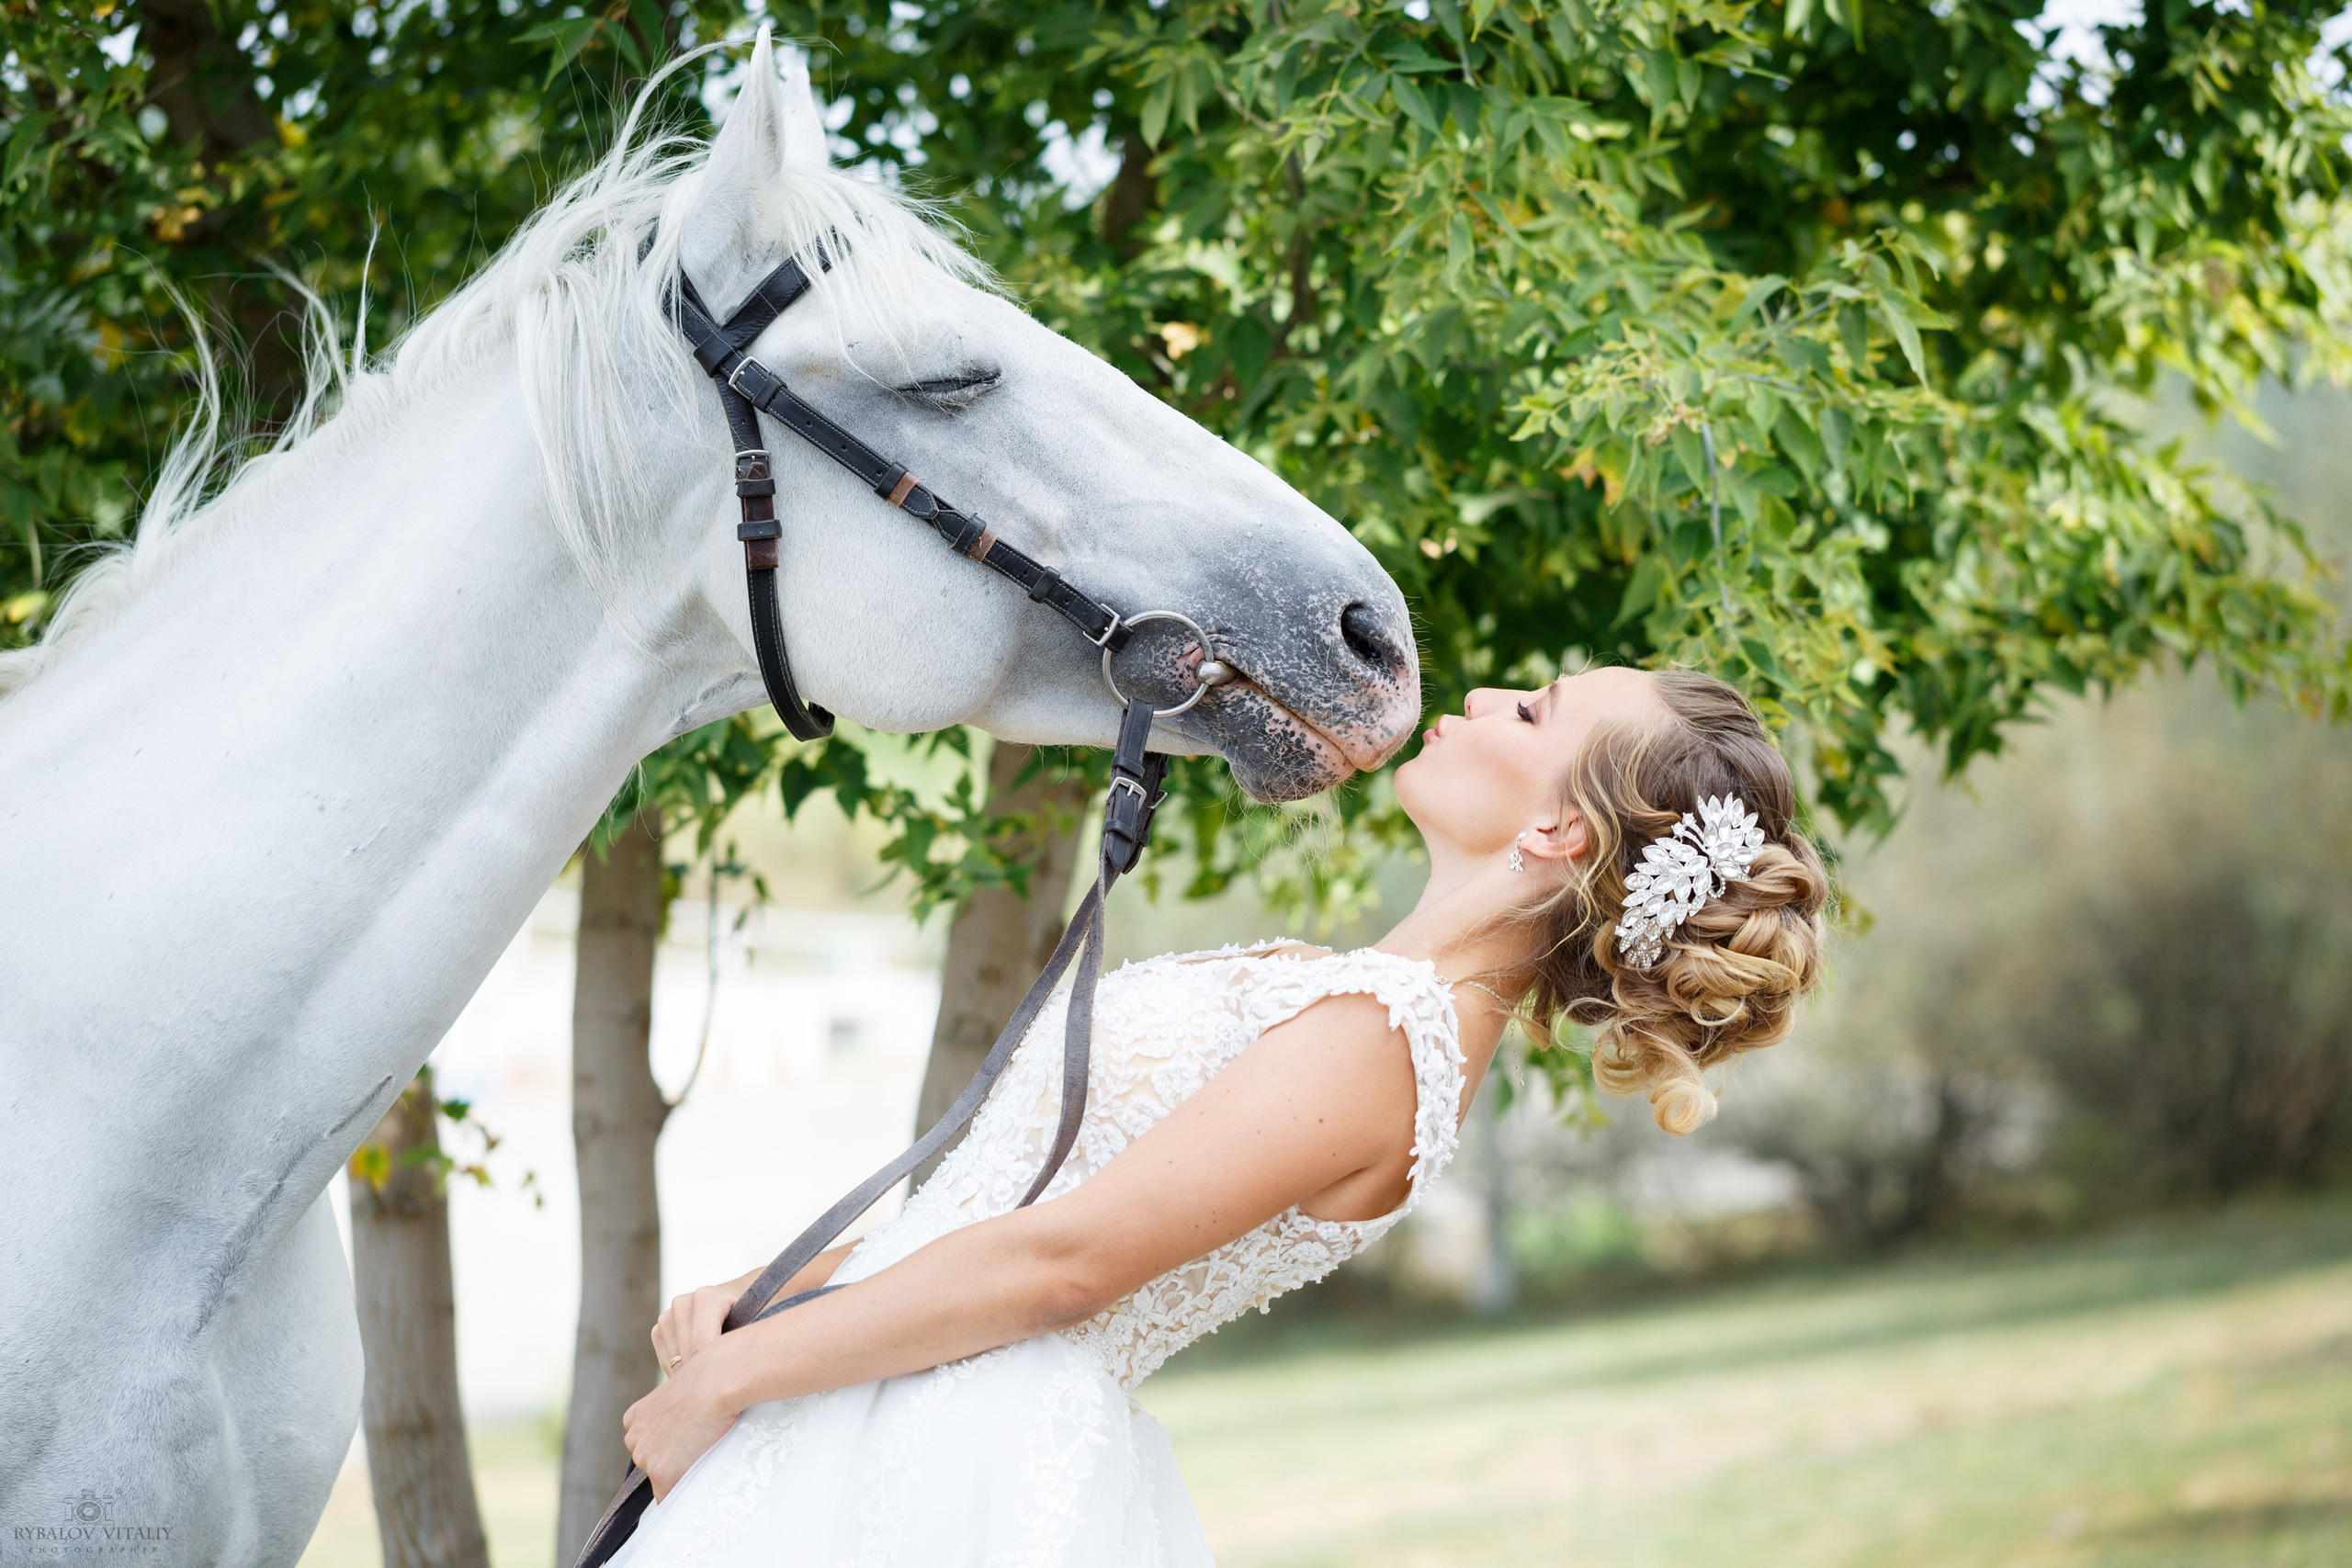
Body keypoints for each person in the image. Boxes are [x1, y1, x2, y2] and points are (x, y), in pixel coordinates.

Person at [605, 666, 1829, 1564]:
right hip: (874, 1383)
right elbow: (1020, 1181)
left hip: (950, 1456)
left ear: (1557, 828)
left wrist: (728, 1386)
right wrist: (776, 1290)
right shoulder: (1360, 995)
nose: (1495, 691)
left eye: (1537, 710)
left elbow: (1065, 1264)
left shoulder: (1389, 1046)